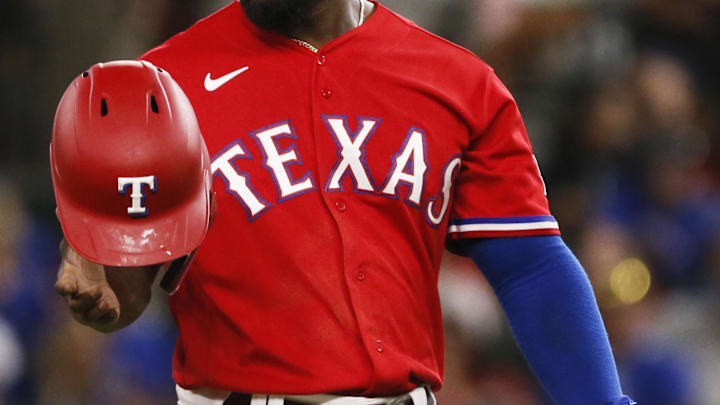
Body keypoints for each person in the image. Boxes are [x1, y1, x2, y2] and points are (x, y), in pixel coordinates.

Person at [53, 1, 636, 404]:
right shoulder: (161, 86)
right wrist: (102, 262)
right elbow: (124, 282)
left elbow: (530, 265)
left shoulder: (460, 85)